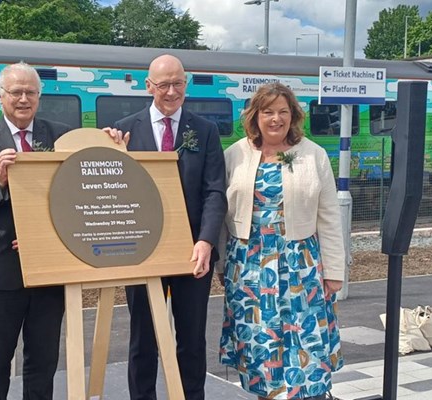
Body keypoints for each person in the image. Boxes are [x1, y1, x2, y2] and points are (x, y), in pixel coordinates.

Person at [109, 54, 227, 400]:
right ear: (149, 87)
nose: (172, 91)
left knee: (191, 340)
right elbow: (109, 187)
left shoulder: (205, 131)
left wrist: (206, 241)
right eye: (164, 84)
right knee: (142, 340)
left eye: (178, 83)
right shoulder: (123, 131)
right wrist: (104, 146)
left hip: (193, 253)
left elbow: (215, 191)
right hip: (141, 253)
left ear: (185, 85)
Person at [219, 82, 344, 400]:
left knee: (305, 347)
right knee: (260, 348)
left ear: (293, 115)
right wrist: (221, 263)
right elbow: (217, 211)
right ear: (255, 116)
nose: (276, 119)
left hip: (300, 265)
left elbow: (329, 217)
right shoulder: (234, 154)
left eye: (283, 111)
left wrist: (334, 271)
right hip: (248, 266)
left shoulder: (313, 154)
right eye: (268, 111)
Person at [0, 62, 71, 400]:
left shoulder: (62, 135)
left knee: (43, 360)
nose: (24, 98)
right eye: (16, 92)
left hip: (49, 270)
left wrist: (111, 141)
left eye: (31, 92)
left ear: (40, 96)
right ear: (1, 96)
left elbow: (79, 194)